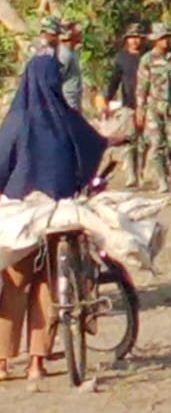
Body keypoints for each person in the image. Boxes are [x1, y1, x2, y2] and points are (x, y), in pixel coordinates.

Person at [0, 55, 108, 381]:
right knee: (48, 285)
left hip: (24, 213)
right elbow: (93, 146)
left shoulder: (17, 120)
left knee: (15, 284)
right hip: (61, 211)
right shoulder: (67, 117)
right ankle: (38, 363)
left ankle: (2, 362)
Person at [134, 23, 171, 194]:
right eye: (161, 38)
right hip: (153, 107)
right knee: (156, 143)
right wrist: (140, 108)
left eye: (167, 37)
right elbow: (142, 85)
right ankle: (162, 179)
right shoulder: (147, 60)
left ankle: (165, 165)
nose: (165, 41)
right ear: (155, 41)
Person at [97, 23, 147, 188]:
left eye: (138, 38)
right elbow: (114, 81)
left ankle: (142, 170)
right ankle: (132, 176)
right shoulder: (121, 58)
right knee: (130, 140)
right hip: (129, 105)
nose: (135, 41)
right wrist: (106, 99)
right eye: (132, 38)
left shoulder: (148, 57)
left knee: (147, 141)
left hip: (149, 104)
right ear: (126, 40)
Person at [58, 21, 84, 112]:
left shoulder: (72, 52)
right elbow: (58, 78)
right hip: (67, 104)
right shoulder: (64, 55)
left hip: (74, 102)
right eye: (75, 30)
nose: (79, 33)